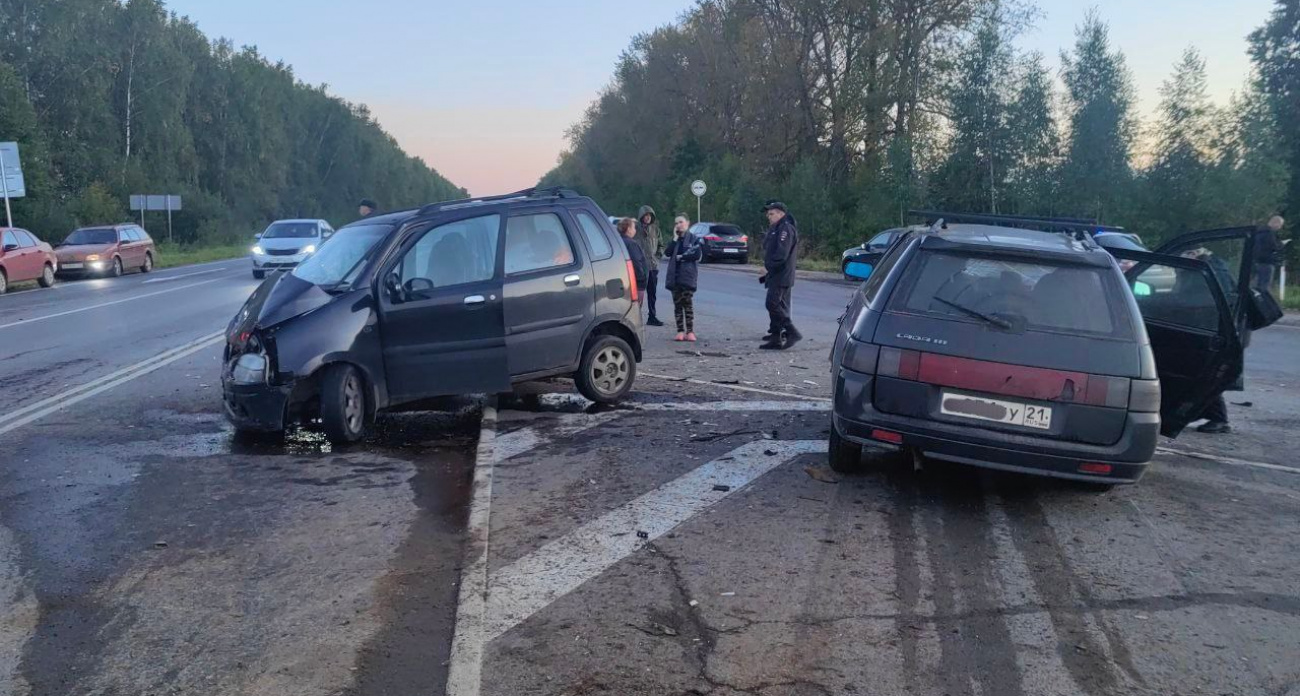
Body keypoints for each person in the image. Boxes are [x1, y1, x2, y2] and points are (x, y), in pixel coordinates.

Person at [759, 200, 801, 350]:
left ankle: (792, 331)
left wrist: (768, 268)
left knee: (772, 303)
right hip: (776, 274)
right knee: (776, 305)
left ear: (780, 214)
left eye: (771, 214)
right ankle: (776, 338)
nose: (768, 216)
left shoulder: (785, 229)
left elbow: (781, 254)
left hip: (781, 274)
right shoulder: (776, 228)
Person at [664, 214, 701, 342]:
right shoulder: (676, 240)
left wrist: (682, 257)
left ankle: (690, 331)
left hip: (687, 277)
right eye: (676, 223)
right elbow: (668, 253)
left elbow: (696, 254)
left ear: (687, 223)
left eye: (681, 222)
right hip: (675, 277)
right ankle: (680, 330)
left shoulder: (693, 239)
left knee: (687, 304)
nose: (678, 225)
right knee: (677, 305)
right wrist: (675, 239)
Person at [635, 206, 664, 326]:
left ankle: (652, 316)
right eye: (645, 215)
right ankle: (635, 317)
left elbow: (661, 245)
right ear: (641, 216)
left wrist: (657, 257)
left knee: (652, 294)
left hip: (652, 267)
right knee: (637, 294)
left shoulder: (655, 229)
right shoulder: (635, 229)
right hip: (639, 267)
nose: (647, 217)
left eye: (649, 215)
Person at [1253, 215, 1284, 294]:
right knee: (1265, 286)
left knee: (1257, 284)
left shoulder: (1258, 232)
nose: (1280, 227)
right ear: (1276, 223)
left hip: (1257, 261)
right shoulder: (1269, 233)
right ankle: (1264, 300)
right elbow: (1273, 247)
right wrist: (1281, 244)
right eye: (1280, 225)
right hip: (1267, 261)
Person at [618, 217, 649, 293]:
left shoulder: (618, 241)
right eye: (634, 228)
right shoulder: (632, 244)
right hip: (636, 283)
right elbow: (636, 262)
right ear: (629, 229)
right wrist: (641, 278)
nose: (635, 230)